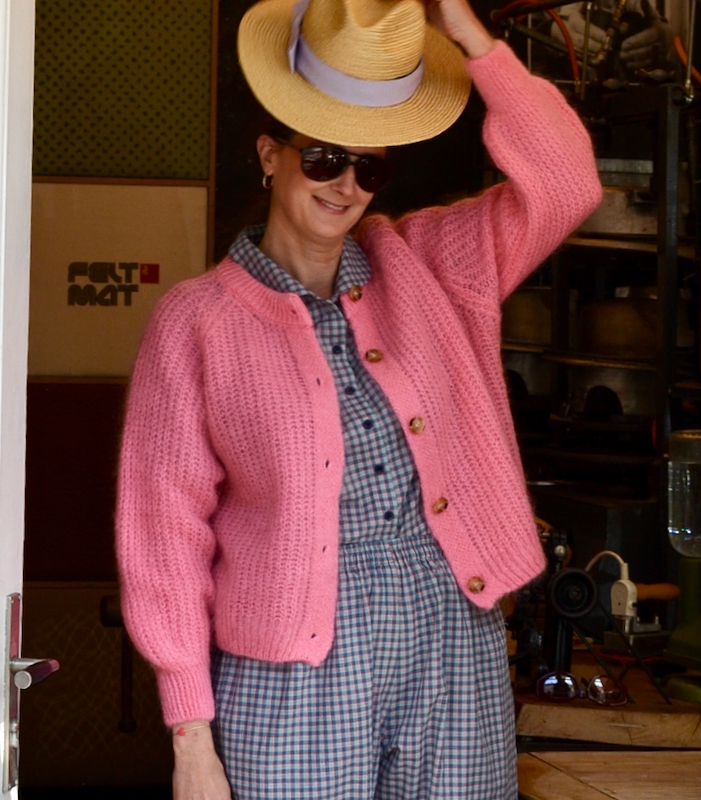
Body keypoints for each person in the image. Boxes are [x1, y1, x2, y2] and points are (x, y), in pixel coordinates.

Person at [115, 0, 601, 796]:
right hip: (291, 669)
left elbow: (567, 183)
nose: (345, 185)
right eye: (322, 159)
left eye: (368, 168)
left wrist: (471, 40)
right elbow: (163, 536)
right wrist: (190, 740)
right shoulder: (196, 322)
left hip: (452, 637)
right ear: (269, 154)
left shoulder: (433, 263)